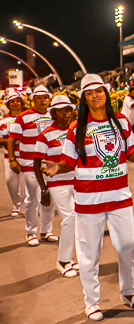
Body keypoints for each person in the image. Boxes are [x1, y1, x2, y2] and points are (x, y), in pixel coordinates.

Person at [43, 73, 134, 321]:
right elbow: (68, 161)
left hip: (119, 196)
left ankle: (128, 293)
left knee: (128, 245)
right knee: (89, 253)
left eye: (99, 91)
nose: (95, 96)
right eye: (89, 93)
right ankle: (92, 301)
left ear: (106, 94)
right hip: (88, 200)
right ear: (84, 99)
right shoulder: (76, 128)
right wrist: (56, 168)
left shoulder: (121, 121)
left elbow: (132, 152)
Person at [33, 95, 78, 277]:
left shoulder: (75, 130)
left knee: (79, 221)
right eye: (62, 110)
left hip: (77, 181)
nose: (66, 113)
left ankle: (72, 259)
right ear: (53, 113)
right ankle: (63, 261)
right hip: (57, 183)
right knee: (70, 218)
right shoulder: (45, 135)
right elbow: (36, 164)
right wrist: (44, 188)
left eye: (68, 110)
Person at [9, 85, 56, 246]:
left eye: (45, 97)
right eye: (39, 97)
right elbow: (12, 139)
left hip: (49, 163)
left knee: (49, 197)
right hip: (29, 163)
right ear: (32, 99)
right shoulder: (23, 116)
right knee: (32, 197)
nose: (43, 100)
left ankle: (46, 230)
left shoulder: (53, 115)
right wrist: (12, 160)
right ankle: (30, 232)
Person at [0, 90, 26, 217]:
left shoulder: (27, 117)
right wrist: (11, 142)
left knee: (25, 183)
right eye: (12, 102)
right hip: (9, 156)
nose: (15, 103)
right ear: (8, 105)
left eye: (17, 101)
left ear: (21, 103)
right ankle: (16, 205)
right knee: (10, 181)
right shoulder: (3, 121)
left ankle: (27, 206)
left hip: (26, 155)